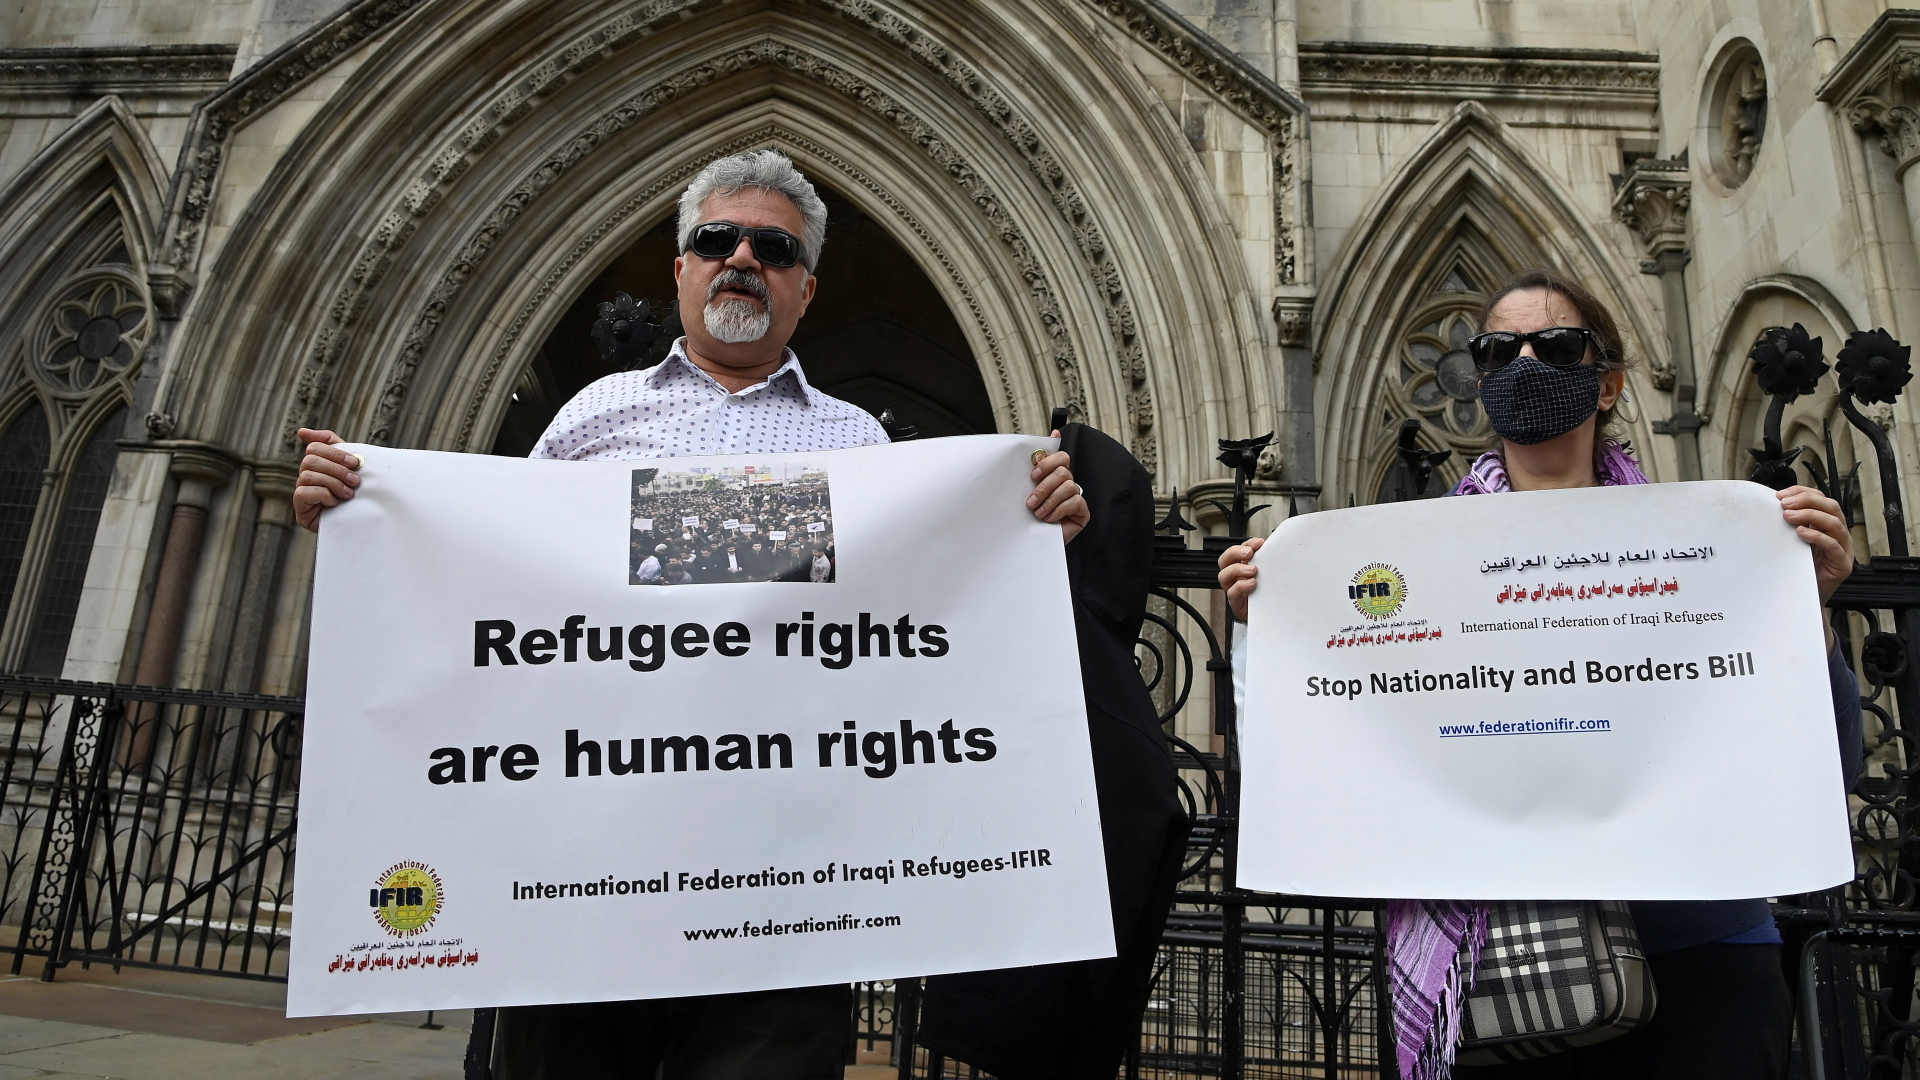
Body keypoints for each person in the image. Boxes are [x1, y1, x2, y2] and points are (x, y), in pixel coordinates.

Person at [294, 149, 1089, 1080]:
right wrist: (367, 517)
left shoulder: (860, 443)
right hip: (590, 872)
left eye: (775, 248)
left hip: (787, 884)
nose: (743, 256)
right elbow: (489, 594)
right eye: (717, 239)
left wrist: (1028, 535)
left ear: (805, 290)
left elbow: (918, 626)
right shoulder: (592, 419)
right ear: (681, 269)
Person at [1216, 267, 1863, 1080]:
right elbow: (1342, 748)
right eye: (1497, 351)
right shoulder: (1420, 559)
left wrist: (1810, 614)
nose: (1525, 364)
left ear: (1607, 383)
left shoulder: (1707, 549)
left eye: (1555, 345)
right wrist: (1274, 631)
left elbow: (1825, 760)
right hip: (1501, 963)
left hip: (1699, 946)